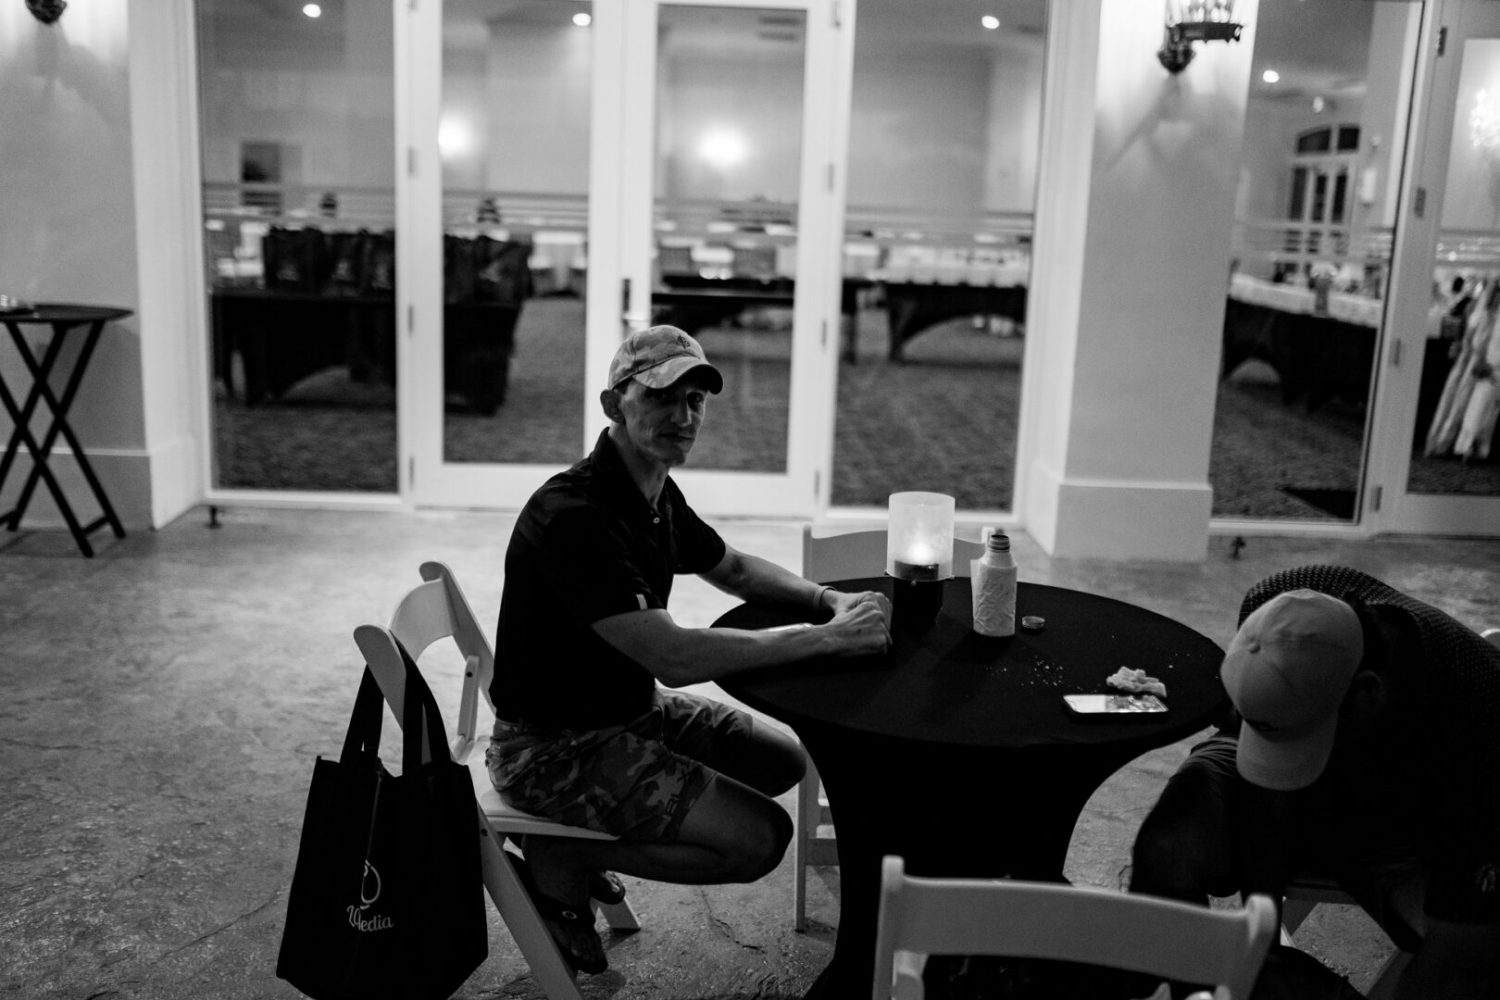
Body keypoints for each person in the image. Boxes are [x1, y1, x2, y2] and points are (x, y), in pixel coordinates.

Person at [485, 325, 893, 973]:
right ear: (614, 403)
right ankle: (569, 855)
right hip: (553, 748)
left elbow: (730, 566)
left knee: (780, 759)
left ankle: (589, 847)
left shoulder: (651, 486)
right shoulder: (578, 517)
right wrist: (824, 640)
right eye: (663, 397)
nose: (683, 416)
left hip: (624, 710)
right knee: (760, 841)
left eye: (697, 398)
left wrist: (824, 601)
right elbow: (674, 657)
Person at [1129, 565, 1500, 999]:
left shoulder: (1481, 733)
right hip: (1271, 738)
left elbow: (1451, 963)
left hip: (1408, 817)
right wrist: (1256, 952)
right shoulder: (1281, 607)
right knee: (1170, 849)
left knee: (1469, 965)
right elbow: (1265, 790)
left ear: (1367, 694)